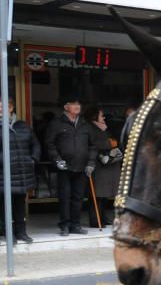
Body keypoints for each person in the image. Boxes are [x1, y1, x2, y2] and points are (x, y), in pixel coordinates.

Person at [44, 93, 97, 236]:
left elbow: (92, 146)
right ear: (66, 107)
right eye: (74, 104)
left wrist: (91, 163)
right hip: (64, 167)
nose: (77, 107)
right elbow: (50, 144)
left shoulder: (85, 124)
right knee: (65, 197)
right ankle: (65, 225)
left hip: (82, 167)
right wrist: (57, 160)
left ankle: (75, 224)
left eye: (79, 104)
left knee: (78, 198)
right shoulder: (56, 123)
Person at [1, 99, 41, 244]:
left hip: (22, 172)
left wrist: (33, 159)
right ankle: (8, 232)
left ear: (11, 108)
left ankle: (21, 232)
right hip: (3, 173)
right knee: (5, 205)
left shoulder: (22, 125)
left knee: (19, 204)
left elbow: (35, 143)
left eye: (3, 107)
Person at [84, 105, 122, 228]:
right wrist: (109, 144)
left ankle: (103, 218)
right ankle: (95, 220)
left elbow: (116, 141)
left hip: (109, 165)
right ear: (94, 116)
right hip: (98, 165)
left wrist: (111, 143)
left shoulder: (104, 128)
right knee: (97, 194)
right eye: (101, 115)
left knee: (104, 195)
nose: (103, 117)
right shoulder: (89, 128)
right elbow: (94, 144)